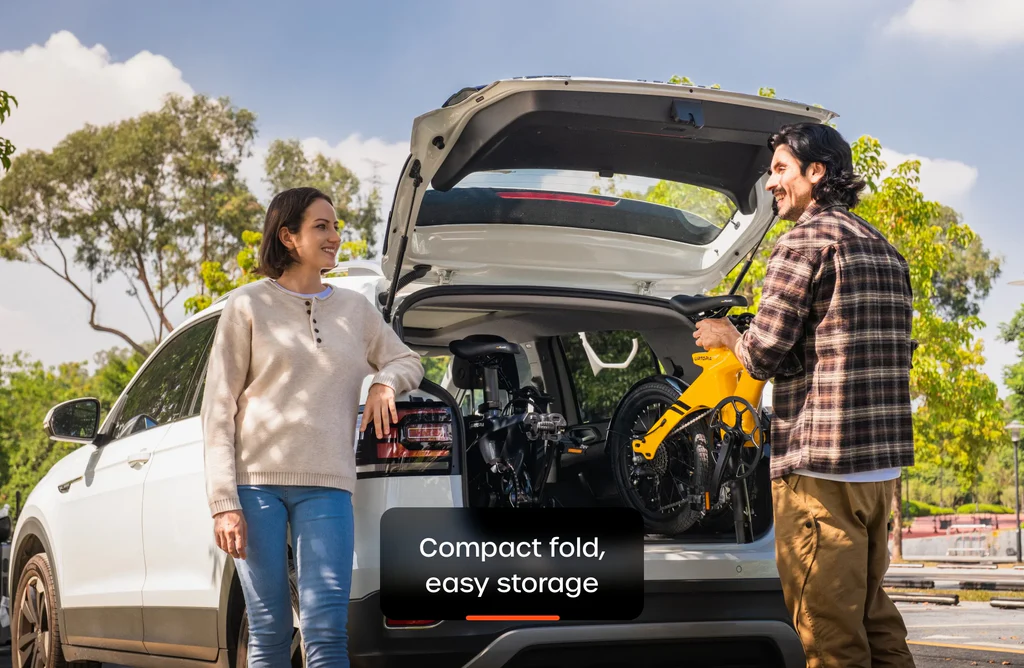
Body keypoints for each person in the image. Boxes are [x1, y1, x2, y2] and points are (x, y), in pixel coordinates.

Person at [693, 123, 916, 667]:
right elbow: (846, 349)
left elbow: (762, 353)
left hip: (820, 472)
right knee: (874, 620)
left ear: (816, 173)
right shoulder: (884, 249)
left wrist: (727, 335)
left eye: (780, 169)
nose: (771, 182)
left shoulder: (802, 242)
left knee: (828, 637)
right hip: (877, 472)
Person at [200, 186, 424, 667]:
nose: (335, 236)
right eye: (321, 226)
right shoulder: (247, 306)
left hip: (327, 487)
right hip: (254, 488)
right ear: (288, 236)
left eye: (336, 226)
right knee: (269, 630)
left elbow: (408, 360)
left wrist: (384, 382)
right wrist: (224, 503)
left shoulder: (355, 310)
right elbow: (218, 407)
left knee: (326, 632)